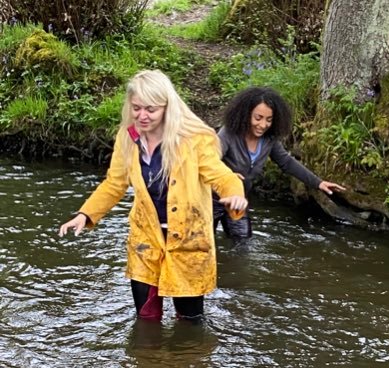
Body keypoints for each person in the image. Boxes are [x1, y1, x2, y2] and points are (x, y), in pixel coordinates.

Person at [59, 69, 248, 323]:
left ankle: (187, 362)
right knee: (146, 320)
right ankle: (146, 362)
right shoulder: (128, 138)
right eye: (136, 108)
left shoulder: (195, 140)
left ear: (166, 108)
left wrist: (235, 196)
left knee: (190, 323)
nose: (142, 116)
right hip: (145, 240)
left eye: (150, 109)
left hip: (188, 241)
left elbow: (223, 177)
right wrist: (86, 214)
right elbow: (114, 184)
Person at [213, 86, 345, 239]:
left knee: (243, 246)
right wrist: (227, 175)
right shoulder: (229, 132)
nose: (263, 125)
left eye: (269, 120)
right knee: (202, 247)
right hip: (212, 199)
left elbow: (287, 162)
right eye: (258, 118)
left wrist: (318, 183)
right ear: (245, 114)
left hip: (239, 201)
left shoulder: (269, 139)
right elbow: (211, 159)